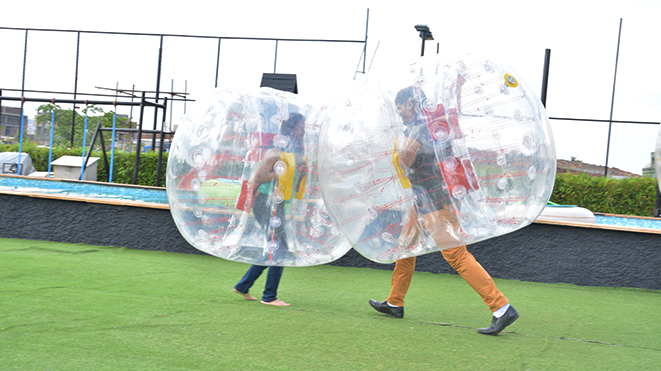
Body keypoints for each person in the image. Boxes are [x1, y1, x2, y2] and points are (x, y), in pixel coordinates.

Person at [368, 86, 519, 335]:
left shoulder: (420, 127)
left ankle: (501, 308)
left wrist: (390, 149)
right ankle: (395, 302)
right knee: (406, 247)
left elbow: (406, 159)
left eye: (400, 108)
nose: (399, 114)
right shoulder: (432, 124)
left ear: (411, 104)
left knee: (457, 256)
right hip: (426, 199)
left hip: (434, 202)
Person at [234, 112, 308, 307]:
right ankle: (269, 296)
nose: (303, 132)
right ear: (291, 129)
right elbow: (258, 177)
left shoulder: (292, 153)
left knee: (274, 247)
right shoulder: (274, 153)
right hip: (265, 203)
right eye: (301, 128)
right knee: (280, 249)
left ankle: (243, 285)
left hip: (277, 204)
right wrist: (278, 173)